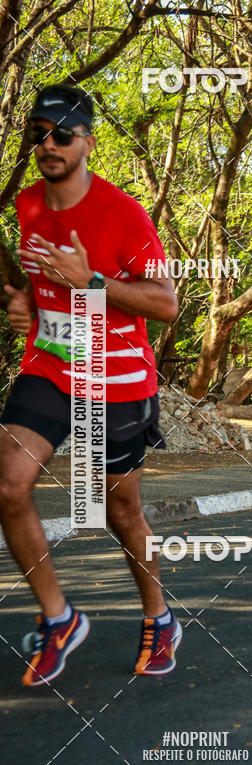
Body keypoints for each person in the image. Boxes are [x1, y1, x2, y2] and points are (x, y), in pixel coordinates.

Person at [0, 84, 181, 686]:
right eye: (38, 134)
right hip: (51, 365)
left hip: (117, 376)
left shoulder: (122, 214)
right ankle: (59, 617)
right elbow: (37, 282)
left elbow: (166, 304)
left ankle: (159, 617)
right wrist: (26, 306)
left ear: (88, 142)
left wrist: (93, 282)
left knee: (118, 507)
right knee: (7, 484)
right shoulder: (27, 205)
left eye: (61, 134)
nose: (47, 144)